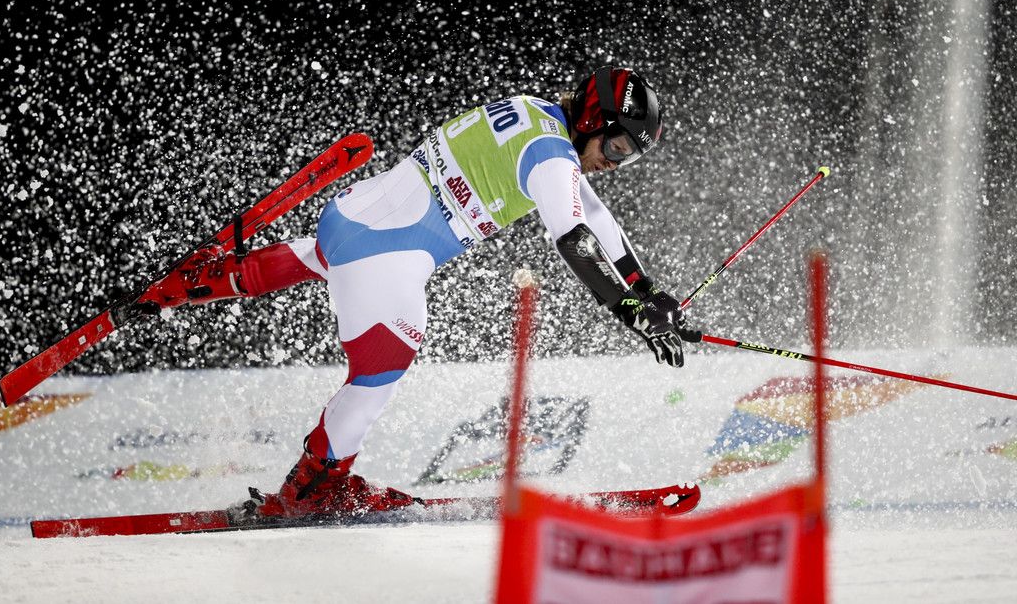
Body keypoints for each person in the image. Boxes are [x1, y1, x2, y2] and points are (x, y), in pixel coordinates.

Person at [158, 65, 702, 518]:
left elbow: (595, 216)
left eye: (630, 157)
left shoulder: (534, 113)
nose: (615, 163)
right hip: (383, 260)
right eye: (618, 146)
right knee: (379, 373)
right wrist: (630, 310)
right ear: (591, 120)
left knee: (328, 257)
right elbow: (575, 236)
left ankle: (211, 279)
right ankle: (311, 489)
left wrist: (646, 290)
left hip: (350, 216)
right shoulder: (553, 156)